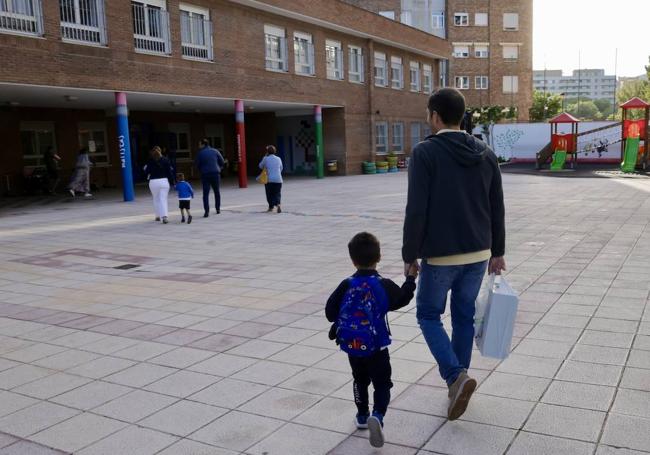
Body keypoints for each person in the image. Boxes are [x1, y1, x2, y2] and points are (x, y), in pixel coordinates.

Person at [402, 88, 506, 421]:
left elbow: (416, 209)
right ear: (461, 116)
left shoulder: (425, 153)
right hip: (478, 253)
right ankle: (457, 384)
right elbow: (497, 208)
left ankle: (454, 376)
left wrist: (409, 254)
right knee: (463, 317)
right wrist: (498, 251)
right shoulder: (486, 153)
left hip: (441, 256)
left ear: (434, 115)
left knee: (428, 315)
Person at [326, 232, 418, 448]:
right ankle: (377, 415)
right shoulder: (382, 285)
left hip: (352, 346)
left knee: (359, 379)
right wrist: (410, 279)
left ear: (353, 260)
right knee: (382, 383)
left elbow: (330, 312)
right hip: (376, 347)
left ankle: (361, 415)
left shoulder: (346, 284)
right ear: (379, 257)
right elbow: (403, 298)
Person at [194, 138, 225, 217]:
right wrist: (218, 168)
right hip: (215, 173)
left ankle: (206, 211)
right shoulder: (215, 151)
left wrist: (201, 170)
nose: (198, 146)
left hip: (205, 174)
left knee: (205, 193)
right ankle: (218, 209)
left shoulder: (200, 153)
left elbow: (197, 165)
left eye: (199, 144)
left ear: (203, 144)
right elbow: (222, 162)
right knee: (216, 191)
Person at [144, 146, 175, 224]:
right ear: (160, 151)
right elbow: (169, 172)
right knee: (163, 199)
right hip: (163, 181)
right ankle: (164, 217)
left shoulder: (150, 161)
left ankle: (157, 216)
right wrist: (173, 182)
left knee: (156, 198)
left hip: (153, 182)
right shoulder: (165, 160)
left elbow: (147, 172)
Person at [259, 145, 284, 213]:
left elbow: (260, 166)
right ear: (275, 151)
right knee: (277, 193)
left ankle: (271, 207)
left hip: (269, 180)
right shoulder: (278, 158)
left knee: (269, 194)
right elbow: (281, 168)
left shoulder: (265, 158)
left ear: (267, 152)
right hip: (278, 179)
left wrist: (264, 157)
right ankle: (278, 204)